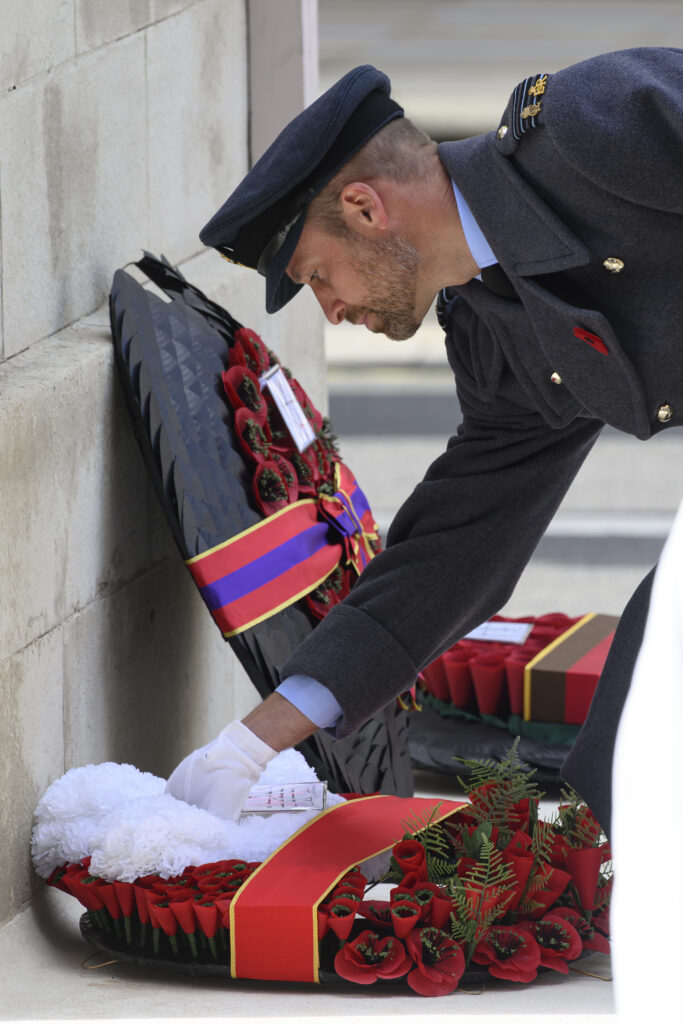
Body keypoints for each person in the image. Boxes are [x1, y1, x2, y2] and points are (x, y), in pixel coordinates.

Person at [166, 49, 683, 827]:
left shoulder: (589, 126)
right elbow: (461, 542)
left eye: (317, 277)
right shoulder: (488, 326)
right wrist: (252, 742)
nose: (332, 312)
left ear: (368, 210)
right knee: (628, 756)